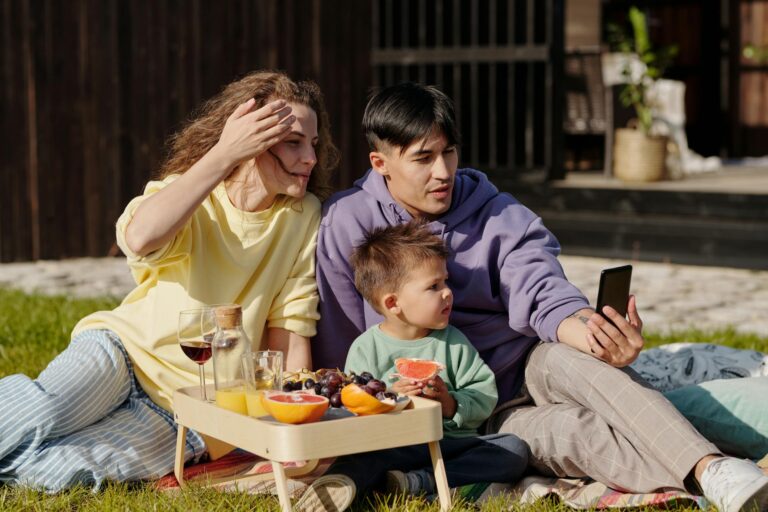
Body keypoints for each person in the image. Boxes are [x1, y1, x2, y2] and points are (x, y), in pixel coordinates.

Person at [312, 82, 768, 512]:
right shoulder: (348, 223)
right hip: (480, 419)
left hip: (529, 365)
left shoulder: (498, 212)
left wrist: (596, 337)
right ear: (381, 163)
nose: (443, 171)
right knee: (576, 432)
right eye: (423, 157)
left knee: (580, 366)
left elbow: (542, 290)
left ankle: (717, 473)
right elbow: (341, 339)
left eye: (449, 152)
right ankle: (719, 474)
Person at [0, 70, 338, 491]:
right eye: (293, 142)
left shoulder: (302, 217)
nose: (310, 158)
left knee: (69, 469)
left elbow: (291, 322)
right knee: (41, 412)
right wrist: (222, 156)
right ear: (250, 143)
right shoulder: (194, 191)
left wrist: (294, 422)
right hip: (123, 356)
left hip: (189, 409)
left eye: (314, 144)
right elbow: (140, 238)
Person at [296, 221, 527, 511]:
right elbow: (353, 408)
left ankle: (416, 482)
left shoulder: (453, 341)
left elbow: (484, 395)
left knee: (512, 450)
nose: (447, 293)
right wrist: (389, 397)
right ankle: (337, 486)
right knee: (362, 458)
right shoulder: (366, 348)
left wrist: (449, 403)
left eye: (445, 282)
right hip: (391, 447)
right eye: (434, 286)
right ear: (393, 303)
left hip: (447, 446)